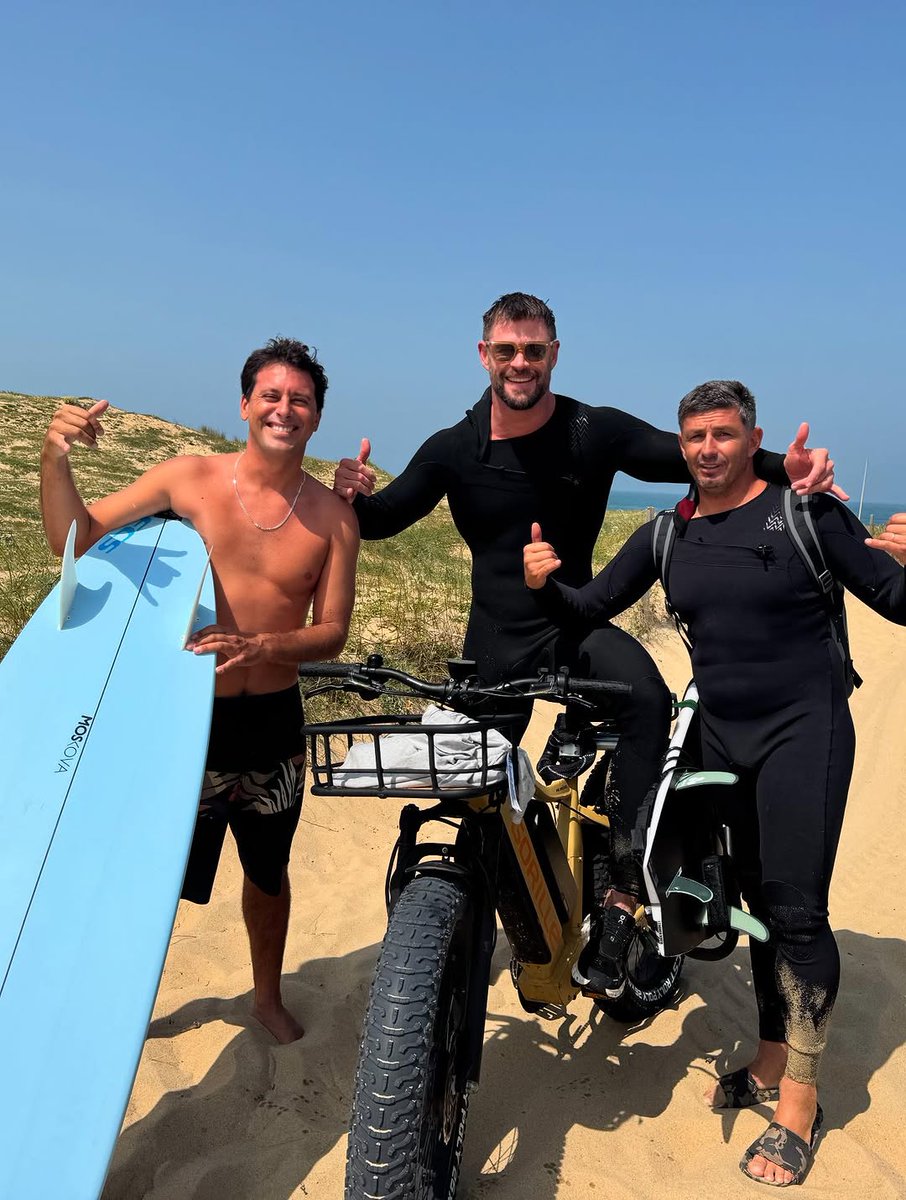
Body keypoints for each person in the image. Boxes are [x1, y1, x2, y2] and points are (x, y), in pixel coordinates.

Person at [333, 292, 842, 996]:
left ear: (554, 354)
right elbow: (383, 519)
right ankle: (472, 907)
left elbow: (694, 458)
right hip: (494, 643)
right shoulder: (454, 448)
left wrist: (792, 468)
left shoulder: (589, 432)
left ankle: (625, 896)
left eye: (533, 350)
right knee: (470, 789)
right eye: (506, 350)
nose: (520, 363)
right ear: (484, 355)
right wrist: (351, 495)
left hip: (574, 625)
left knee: (647, 699)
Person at [524, 379, 906, 1186]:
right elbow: (589, 605)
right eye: (694, 436)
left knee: (797, 913)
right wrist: (540, 582)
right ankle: (769, 1058)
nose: (707, 449)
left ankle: (800, 1100)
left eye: (723, 434)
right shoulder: (667, 534)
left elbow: (895, 600)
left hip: (806, 731)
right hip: (722, 738)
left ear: (752, 439)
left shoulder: (807, 514)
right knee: (756, 906)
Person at [40, 337, 360, 1044]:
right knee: (148, 870)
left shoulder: (334, 519)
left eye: (300, 400)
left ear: (316, 418)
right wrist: (54, 459)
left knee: (268, 873)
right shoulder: (189, 478)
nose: (284, 408)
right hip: (186, 720)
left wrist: (263, 645)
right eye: (271, 395)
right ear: (244, 405)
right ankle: (120, 1002)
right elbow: (75, 539)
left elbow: (332, 632)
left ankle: (266, 997)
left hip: (273, 725)